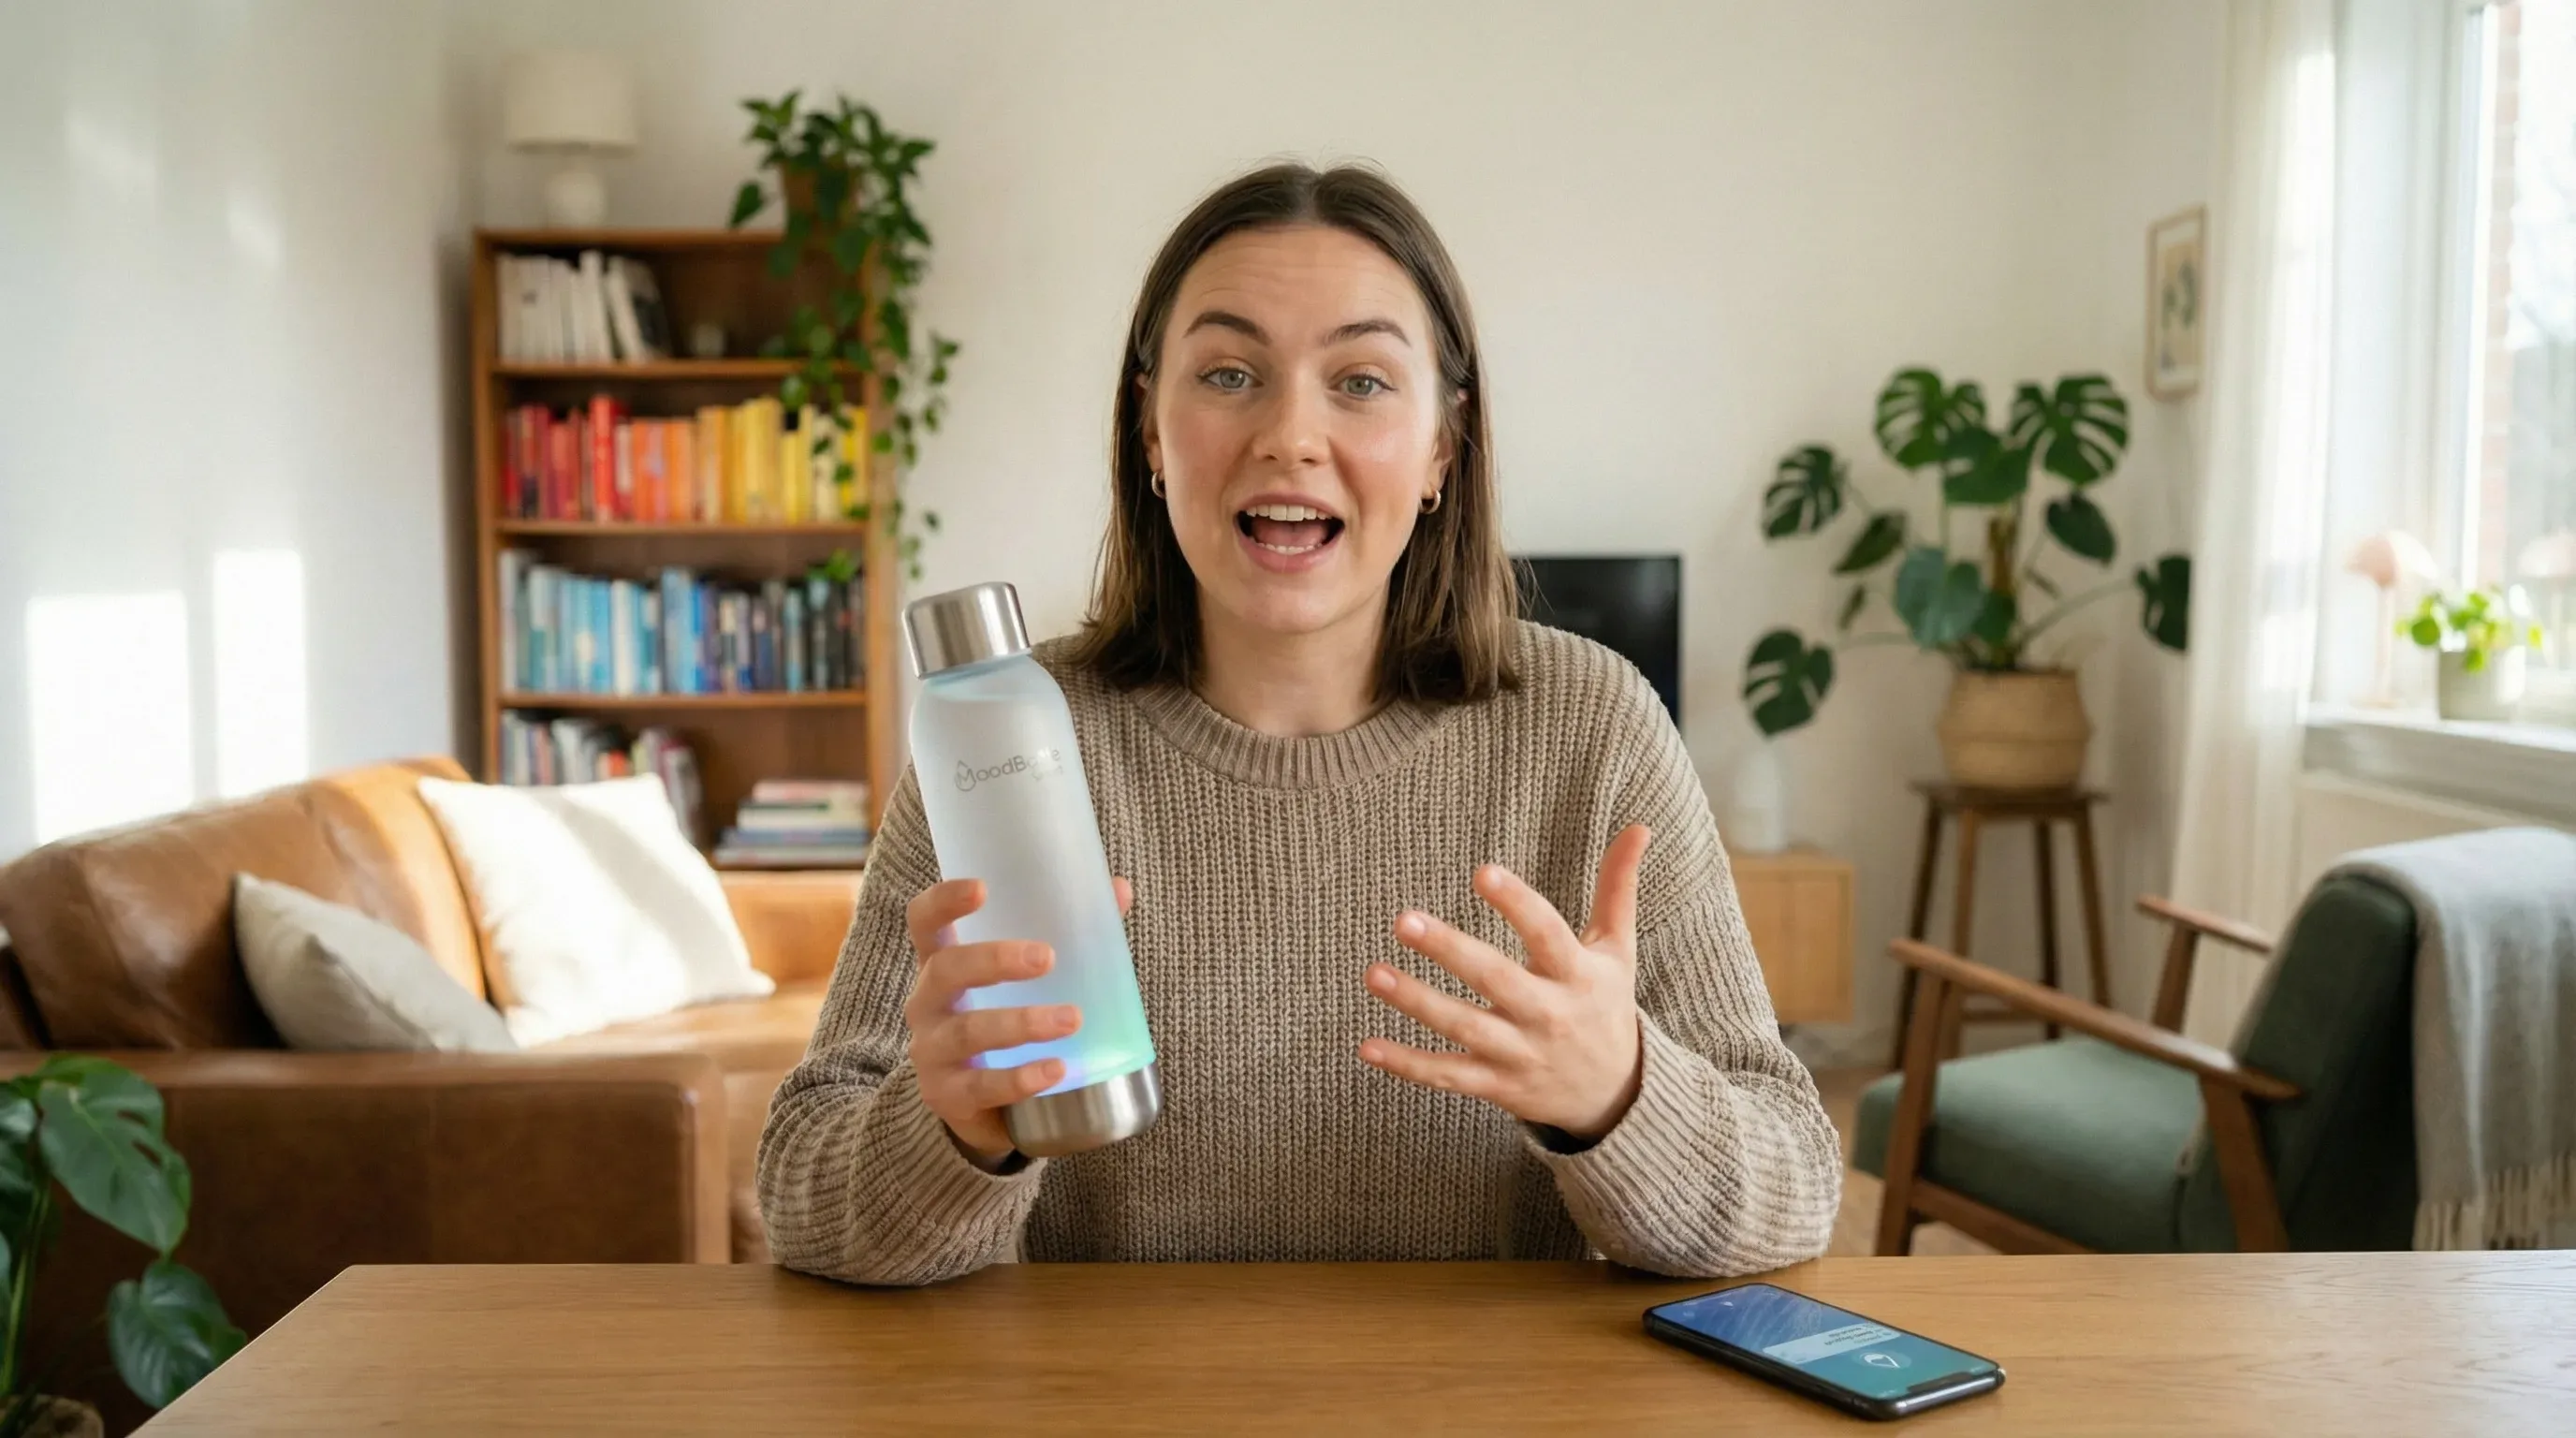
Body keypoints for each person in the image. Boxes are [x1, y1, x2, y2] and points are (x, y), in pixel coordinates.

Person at [758, 163, 1840, 1283]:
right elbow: (803, 1199)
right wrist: (953, 1132)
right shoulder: (1003, 740)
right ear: (1148, 431)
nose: (1289, 434)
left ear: (1440, 449)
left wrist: (1619, 1093)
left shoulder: (1593, 725)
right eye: (1228, 372)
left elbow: (1794, 1192)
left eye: (1361, 381)